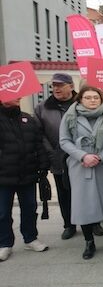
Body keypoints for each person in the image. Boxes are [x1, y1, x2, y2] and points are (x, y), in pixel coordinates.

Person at [59, 86, 103, 259]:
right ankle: (89, 242)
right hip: (80, 165)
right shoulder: (70, 116)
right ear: (80, 99)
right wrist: (83, 156)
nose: (92, 100)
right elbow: (64, 141)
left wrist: (100, 157)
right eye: (88, 97)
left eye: (96, 97)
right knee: (83, 205)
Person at [0, 98, 50, 261]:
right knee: (2, 212)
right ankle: (5, 243)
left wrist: (43, 164)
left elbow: (38, 144)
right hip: (3, 175)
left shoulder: (28, 119)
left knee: (29, 208)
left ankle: (30, 238)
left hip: (27, 173)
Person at [34, 73, 77, 240]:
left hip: (81, 157)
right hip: (57, 156)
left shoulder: (82, 103)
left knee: (85, 190)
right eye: (54, 85)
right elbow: (39, 134)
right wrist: (50, 153)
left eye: (61, 85)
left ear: (71, 86)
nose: (56, 88)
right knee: (64, 191)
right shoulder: (42, 107)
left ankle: (93, 223)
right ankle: (69, 224)